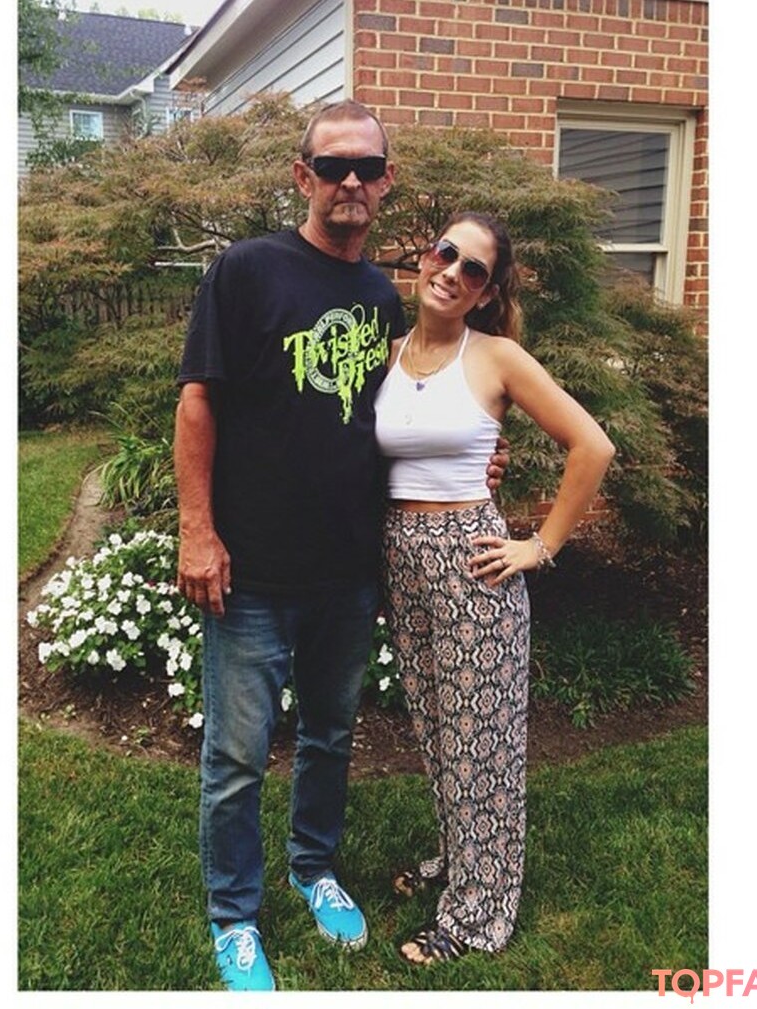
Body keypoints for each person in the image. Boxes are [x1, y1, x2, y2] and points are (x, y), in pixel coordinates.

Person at [173, 103, 506, 991]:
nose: (349, 181)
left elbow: (402, 416)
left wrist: (478, 454)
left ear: (386, 180)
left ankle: (312, 867)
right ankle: (234, 915)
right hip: (249, 571)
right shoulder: (247, 270)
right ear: (303, 177)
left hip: (348, 572)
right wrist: (198, 530)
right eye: (332, 167)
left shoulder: (382, 299)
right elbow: (198, 400)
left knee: (329, 736)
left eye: (366, 167)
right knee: (237, 758)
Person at [375, 211, 616, 964]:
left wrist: (539, 546)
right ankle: (460, 857)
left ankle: (478, 914)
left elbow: (592, 445)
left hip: (473, 563)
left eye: (473, 269)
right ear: (426, 258)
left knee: (483, 740)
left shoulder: (497, 357)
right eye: (445, 252)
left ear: (484, 292)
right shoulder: (388, 353)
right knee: (437, 728)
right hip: (401, 558)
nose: (452, 271)